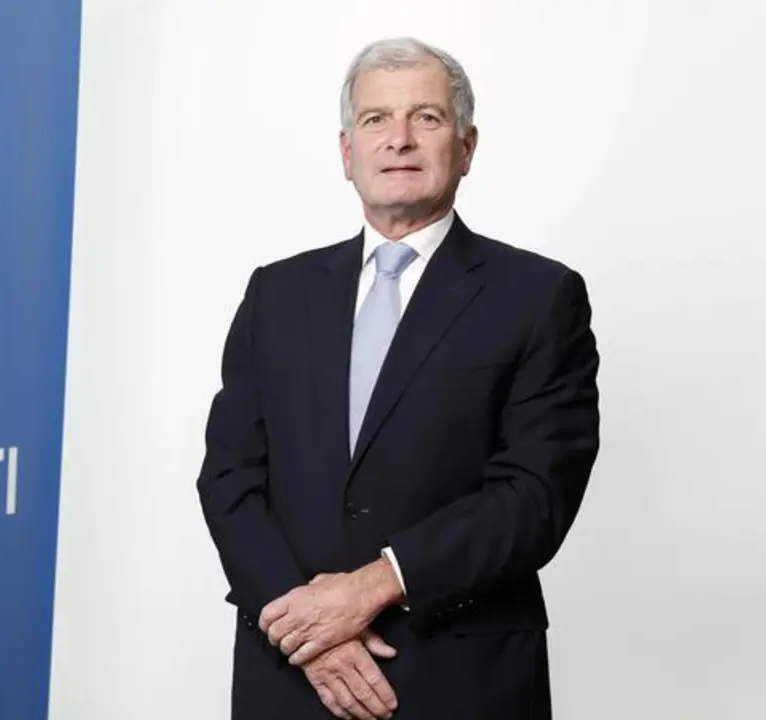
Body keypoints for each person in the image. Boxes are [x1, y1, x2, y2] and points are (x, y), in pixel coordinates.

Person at [195, 36, 601, 719]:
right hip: (292, 673)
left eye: (427, 118)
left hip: (460, 679)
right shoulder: (277, 293)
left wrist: (372, 586)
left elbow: (536, 494)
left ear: (467, 147)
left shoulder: (538, 296)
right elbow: (230, 477)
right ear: (347, 152)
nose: (399, 139)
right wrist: (308, 629)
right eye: (376, 119)